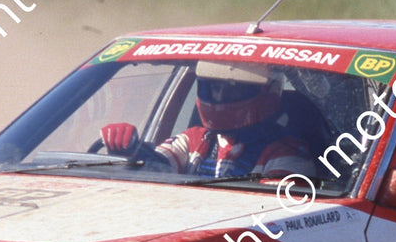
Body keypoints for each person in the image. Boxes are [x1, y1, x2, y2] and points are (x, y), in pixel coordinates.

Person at [99, 61, 316, 178]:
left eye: (231, 90)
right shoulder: (195, 139)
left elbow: (267, 217)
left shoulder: (288, 154)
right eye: (212, 88)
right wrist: (133, 151)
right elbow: (159, 168)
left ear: (267, 92)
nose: (219, 98)